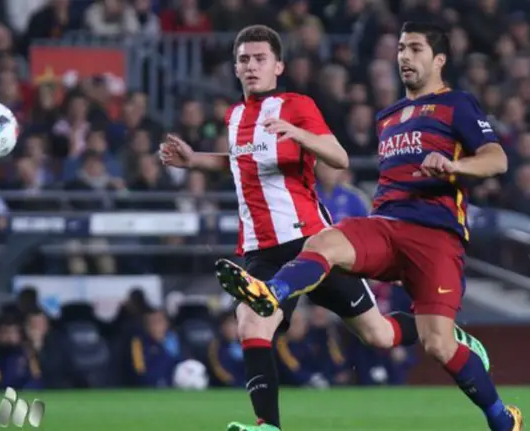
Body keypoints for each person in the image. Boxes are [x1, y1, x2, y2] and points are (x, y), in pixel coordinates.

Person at [215, 21, 523, 431]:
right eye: (400, 48)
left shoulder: (457, 104)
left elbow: (496, 159)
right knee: (324, 241)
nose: (405, 57)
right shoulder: (388, 116)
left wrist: (455, 166)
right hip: (386, 225)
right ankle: (272, 291)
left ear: (439, 59)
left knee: (436, 343)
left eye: (415, 49)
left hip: (435, 235)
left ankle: (502, 418)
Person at [159, 25, 421, 431]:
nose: (251, 66)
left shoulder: (296, 105)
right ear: (235, 67)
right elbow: (239, 163)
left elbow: (339, 157)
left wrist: (298, 133)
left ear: (278, 66)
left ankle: (438, 330)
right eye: (244, 59)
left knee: (380, 335)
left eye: (260, 58)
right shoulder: (235, 117)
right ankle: (268, 426)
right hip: (262, 250)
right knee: (250, 323)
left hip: (313, 244)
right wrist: (194, 160)